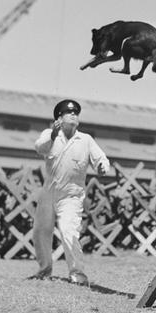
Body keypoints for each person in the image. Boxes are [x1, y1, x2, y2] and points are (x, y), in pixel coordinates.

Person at [31, 99, 110, 285]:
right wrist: (53, 135)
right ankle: (44, 270)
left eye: (76, 113)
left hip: (71, 195)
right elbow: (39, 148)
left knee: (69, 231)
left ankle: (77, 274)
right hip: (49, 192)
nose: (74, 115)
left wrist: (102, 167)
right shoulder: (49, 135)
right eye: (69, 113)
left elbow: (102, 159)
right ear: (59, 118)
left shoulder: (86, 139)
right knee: (41, 231)